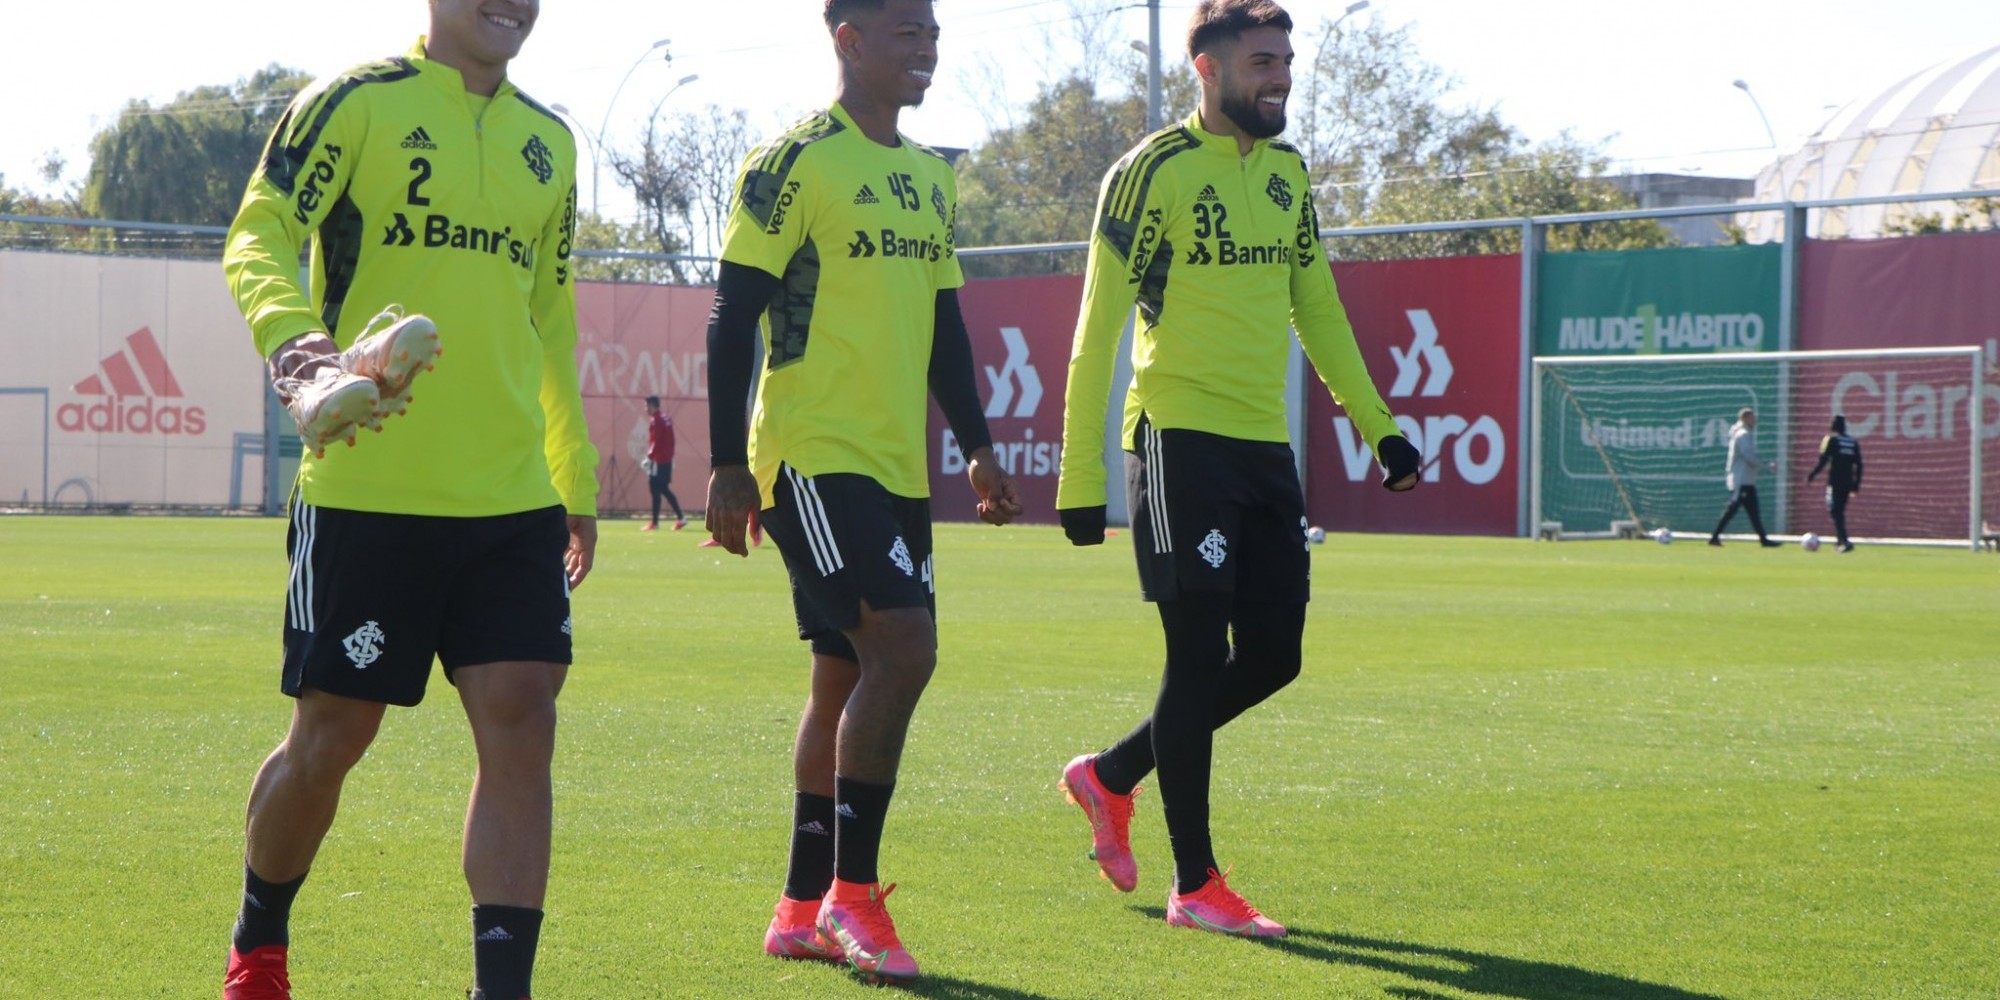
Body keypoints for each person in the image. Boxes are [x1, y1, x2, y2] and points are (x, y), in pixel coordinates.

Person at [218, 1, 597, 997]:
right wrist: (303, 359)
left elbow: (549, 318)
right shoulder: (352, 104)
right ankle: (259, 943)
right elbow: (256, 234)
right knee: (331, 739)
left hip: (510, 494)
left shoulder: (549, 142)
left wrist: (575, 474)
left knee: (522, 715)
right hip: (368, 492)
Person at [1052, 0, 1422, 940]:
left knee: (1273, 657)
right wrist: (1079, 475)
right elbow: (1097, 329)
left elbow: (1319, 310)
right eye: (1263, 61)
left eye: (1287, 62)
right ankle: (1196, 882)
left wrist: (1379, 428)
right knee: (1193, 654)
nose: (1282, 77)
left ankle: (1110, 774)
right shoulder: (1148, 174)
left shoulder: (1290, 177)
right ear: (1207, 68)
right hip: (1178, 441)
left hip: (1265, 449)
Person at [702, 0, 1023, 984]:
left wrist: (973, 445)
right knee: (906, 649)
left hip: (893, 468)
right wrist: (724, 463)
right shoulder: (792, 161)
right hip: (806, 452)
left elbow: (944, 326)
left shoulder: (930, 176)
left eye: (932, 34)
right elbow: (731, 315)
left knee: (842, 676)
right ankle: (853, 896)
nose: (926, 48)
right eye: (905, 31)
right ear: (846, 36)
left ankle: (798, 907)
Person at [1708, 407, 1780, 548]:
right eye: (1753, 417)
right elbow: (1749, 456)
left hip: (1747, 480)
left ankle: (1764, 540)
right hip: (1741, 480)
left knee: (1753, 511)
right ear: (1745, 418)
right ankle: (1714, 537)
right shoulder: (1743, 435)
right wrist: (1766, 465)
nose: (1755, 420)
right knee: (1732, 509)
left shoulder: (1743, 433)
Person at [1805, 414, 1863, 553]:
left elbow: (1823, 460)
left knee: (1835, 511)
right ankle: (1839, 543)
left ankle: (1845, 541)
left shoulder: (1830, 439)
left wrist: (1812, 475)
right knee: (1839, 512)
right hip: (1847, 482)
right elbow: (1859, 465)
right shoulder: (1852, 442)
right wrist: (1856, 485)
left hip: (1835, 482)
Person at [641, 395, 686, 531]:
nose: (645, 409)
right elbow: (670, 440)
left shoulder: (657, 420)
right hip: (666, 459)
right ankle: (672, 519)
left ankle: (660, 522)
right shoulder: (665, 418)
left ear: (653, 406)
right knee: (660, 489)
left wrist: (649, 457)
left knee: (657, 488)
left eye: (646, 406)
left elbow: (657, 441)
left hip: (659, 460)